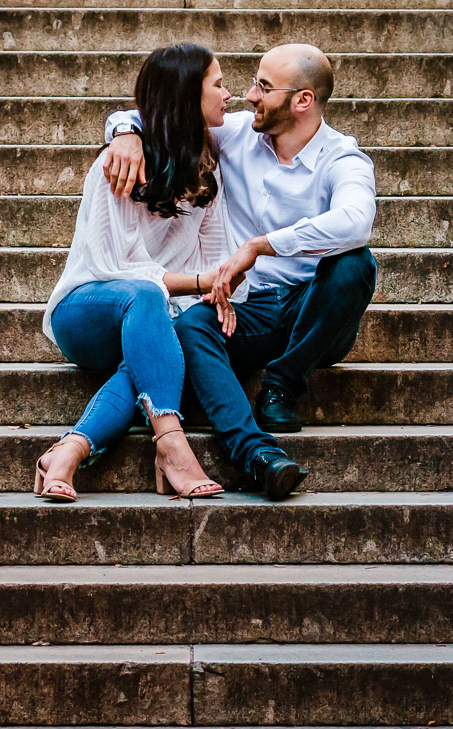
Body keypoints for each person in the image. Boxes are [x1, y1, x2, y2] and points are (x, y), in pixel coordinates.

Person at [102, 43, 378, 500]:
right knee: (191, 323)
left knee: (355, 264)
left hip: (314, 312)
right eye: (252, 82)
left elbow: (356, 221)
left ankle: (282, 385)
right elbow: (166, 116)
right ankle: (256, 455)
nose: (249, 95)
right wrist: (126, 132)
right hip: (250, 311)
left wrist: (260, 246)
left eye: (264, 87)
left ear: (302, 101)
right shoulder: (237, 134)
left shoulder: (343, 159)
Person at [34, 43, 245, 502]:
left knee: (149, 353)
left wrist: (213, 287)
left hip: (152, 317)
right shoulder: (118, 165)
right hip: (87, 312)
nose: (230, 95)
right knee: (145, 298)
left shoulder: (208, 170)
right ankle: (171, 445)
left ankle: (69, 451)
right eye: (219, 85)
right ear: (188, 96)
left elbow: (210, 261)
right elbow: (114, 269)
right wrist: (200, 284)